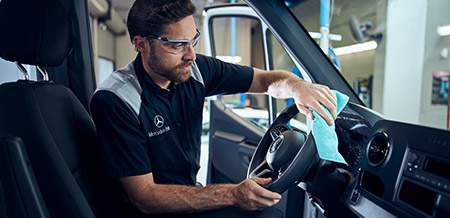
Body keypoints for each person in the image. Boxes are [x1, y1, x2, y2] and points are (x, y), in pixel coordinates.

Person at [90, 0, 337, 217]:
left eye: (193, 40)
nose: (191, 55)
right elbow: (145, 198)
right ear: (142, 44)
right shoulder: (116, 100)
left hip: (187, 195)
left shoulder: (195, 71)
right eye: (177, 45)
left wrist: (297, 87)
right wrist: (232, 194)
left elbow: (267, 81)